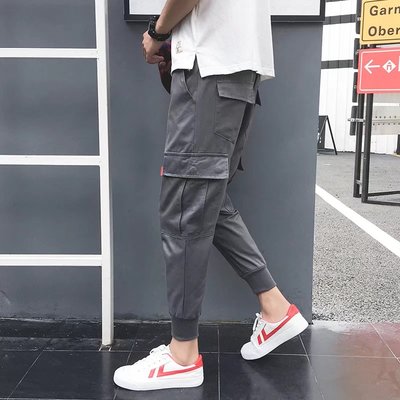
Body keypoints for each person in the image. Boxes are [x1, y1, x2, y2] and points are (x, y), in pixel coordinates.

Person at [113, 0, 308, 391]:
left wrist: (156, 33)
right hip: (238, 72)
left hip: (209, 70)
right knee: (206, 203)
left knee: (185, 209)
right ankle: (275, 308)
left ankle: (183, 355)